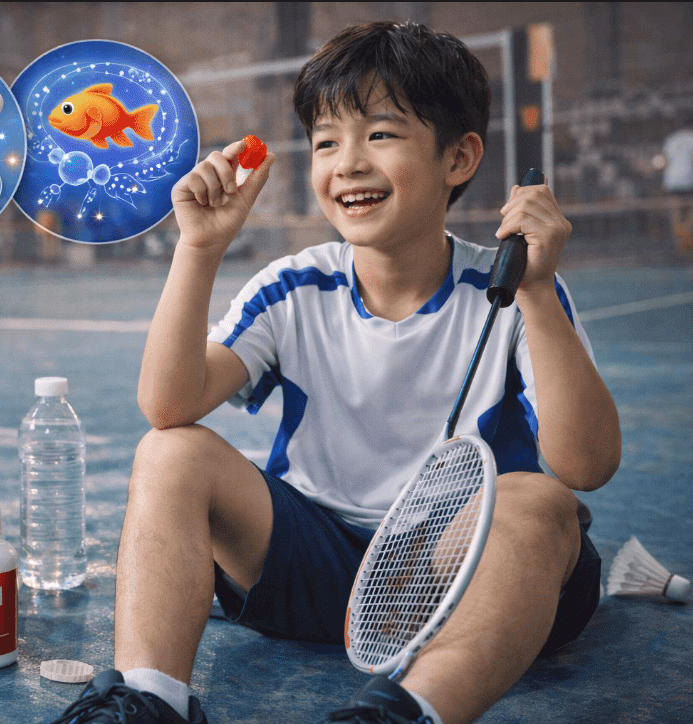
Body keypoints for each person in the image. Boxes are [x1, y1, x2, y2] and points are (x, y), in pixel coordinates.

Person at [49, 22, 620, 724]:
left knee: (540, 504)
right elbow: (168, 406)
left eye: (379, 134)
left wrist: (534, 292)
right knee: (169, 453)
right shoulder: (293, 286)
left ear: (459, 157)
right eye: (326, 142)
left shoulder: (515, 290)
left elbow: (586, 465)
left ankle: (409, 711)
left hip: (463, 577)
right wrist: (198, 250)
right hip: (316, 567)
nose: (347, 163)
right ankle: (148, 698)